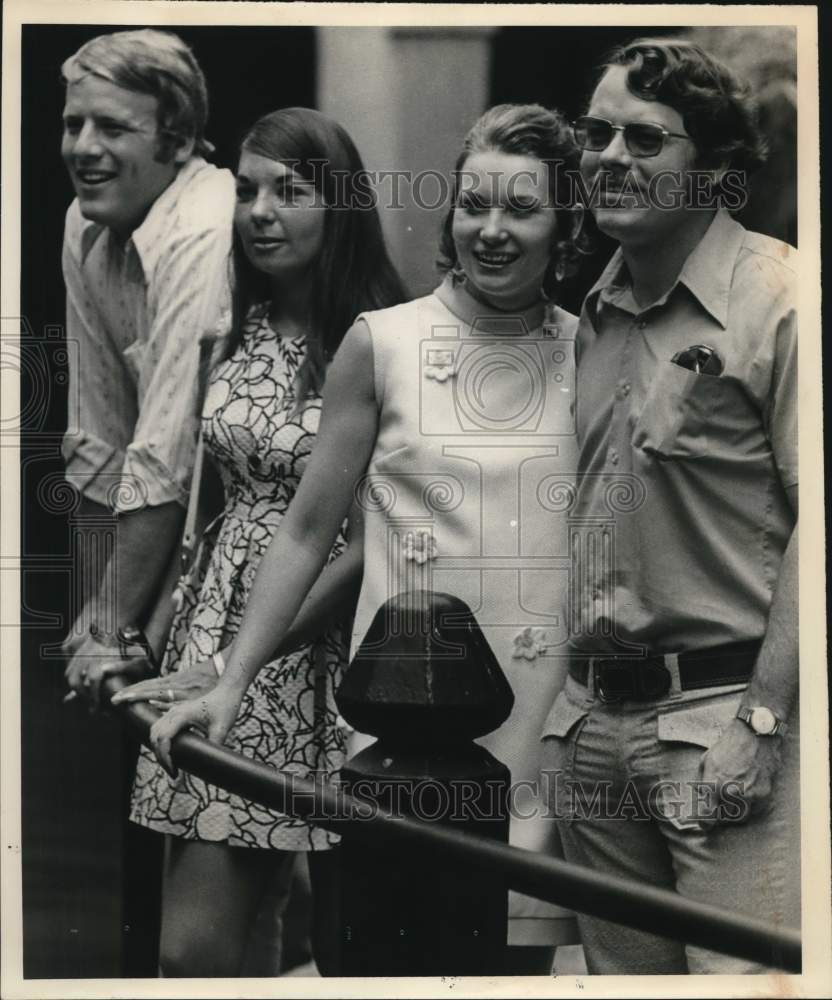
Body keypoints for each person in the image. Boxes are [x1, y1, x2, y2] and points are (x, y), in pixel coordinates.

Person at [144, 103, 585, 965]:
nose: (491, 231)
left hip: (542, 715)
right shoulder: (381, 343)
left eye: (521, 209)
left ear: (565, 223)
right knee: (386, 956)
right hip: (398, 721)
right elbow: (308, 531)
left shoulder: (591, 350)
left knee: (516, 958)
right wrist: (232, 681)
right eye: (473, 205)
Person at [112, 107, 407, 977]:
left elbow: (361, 535)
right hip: (218, 628)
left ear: (340, 205)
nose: (260, 212)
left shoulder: (382, 336)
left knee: (210, 948)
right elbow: (210, 500)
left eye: (291, 191)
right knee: (238, 935)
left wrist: (251, 655)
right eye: (246, 191)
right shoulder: (234, 327)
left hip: (314, 643)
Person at [539, 39, 799, 973]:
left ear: (716, 170)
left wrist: (762, 725)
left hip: (726, 727)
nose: (609, 157)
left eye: (646, 140)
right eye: (597, 132)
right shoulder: (598, 308)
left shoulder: (783, 300)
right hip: (595, 731)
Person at [59, 29, 235, 698]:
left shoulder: (205, 226)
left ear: (180, 141)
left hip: (261, 522)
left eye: (112, 127)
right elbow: (100, 441)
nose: (83, 148)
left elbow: (167, 455)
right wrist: (96, 621)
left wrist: (113, 623)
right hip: (178, 520)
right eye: (74, 123)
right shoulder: (85, 221)